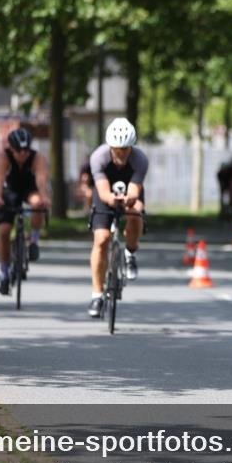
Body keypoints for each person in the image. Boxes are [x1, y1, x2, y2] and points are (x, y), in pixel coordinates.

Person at [86, 118, 148, 318]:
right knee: (102, 239)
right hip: (106, 194)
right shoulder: (98, 157)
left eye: (125, 149)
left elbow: (134, 190)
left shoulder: (140, 160)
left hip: (130, 193)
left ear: (131, 147)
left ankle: (130, 253)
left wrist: (129, 200)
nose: (120, 153)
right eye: (116, 149)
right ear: (110, 146)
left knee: (136, 212)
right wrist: (112, 199)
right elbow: (103, 192)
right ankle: (97, 295)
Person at [0, 127, 50, 296]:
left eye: (26, 150)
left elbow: (41, 180)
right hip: (8, 193)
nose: (23, 154)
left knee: (37, 203)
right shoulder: (4, 158)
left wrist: (45, 197)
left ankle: (34, 241)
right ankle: (4, 273)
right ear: (11, 148)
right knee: (3, 231)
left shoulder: (37, 158)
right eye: (18, 150)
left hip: (29, 190)